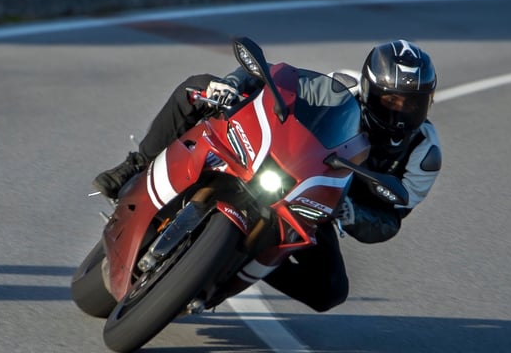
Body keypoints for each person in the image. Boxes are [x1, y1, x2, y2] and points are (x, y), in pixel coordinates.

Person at [93, 40, 441, 313]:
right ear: (369, 89)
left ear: (428, 102)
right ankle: (135, 165)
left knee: (330, 291)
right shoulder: (340, 90)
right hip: (278, 165)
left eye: (411, 103)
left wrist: (354, 214)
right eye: (390, 100)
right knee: (197, 87)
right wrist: (230, 85)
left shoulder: (424, 154)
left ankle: (236, 265)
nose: (399, 111)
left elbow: (392, 219)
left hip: (321, 207)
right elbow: (274, 80)